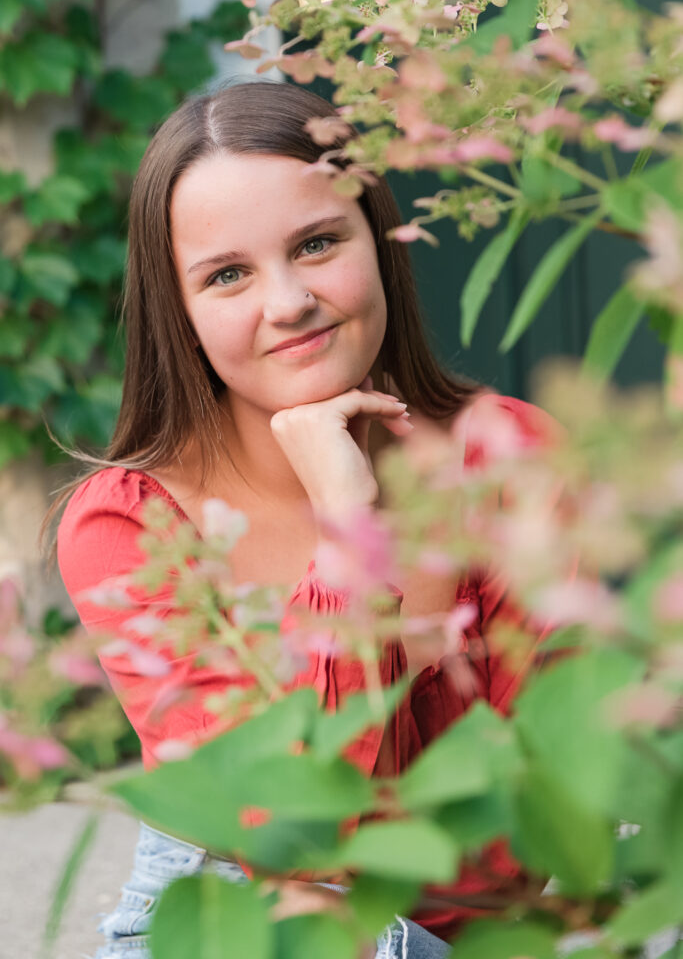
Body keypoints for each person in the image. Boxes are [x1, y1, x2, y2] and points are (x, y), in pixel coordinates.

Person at [56, 80, 552, 959]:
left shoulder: (507, 457)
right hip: (229, 912)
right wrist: (346, 532)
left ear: (381, 242)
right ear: (183, 312)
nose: (286, 303)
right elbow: (291, 839)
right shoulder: (130, 526)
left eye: (317, 243)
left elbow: (525, 835)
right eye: (228, 275)